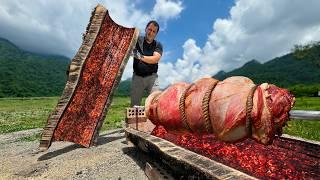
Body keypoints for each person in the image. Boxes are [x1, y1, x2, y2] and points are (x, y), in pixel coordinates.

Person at [131, 20, 163, 107]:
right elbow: (128, 46)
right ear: (145, 29)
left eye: (154, 31)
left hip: (152, 78)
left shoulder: (158, 45)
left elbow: (155, 59)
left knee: (156, 104)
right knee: (134, 107)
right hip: (137, 77)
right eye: (149, 29)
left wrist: (139, 56)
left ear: (156, 34)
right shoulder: (137, 40)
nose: (151, 32)